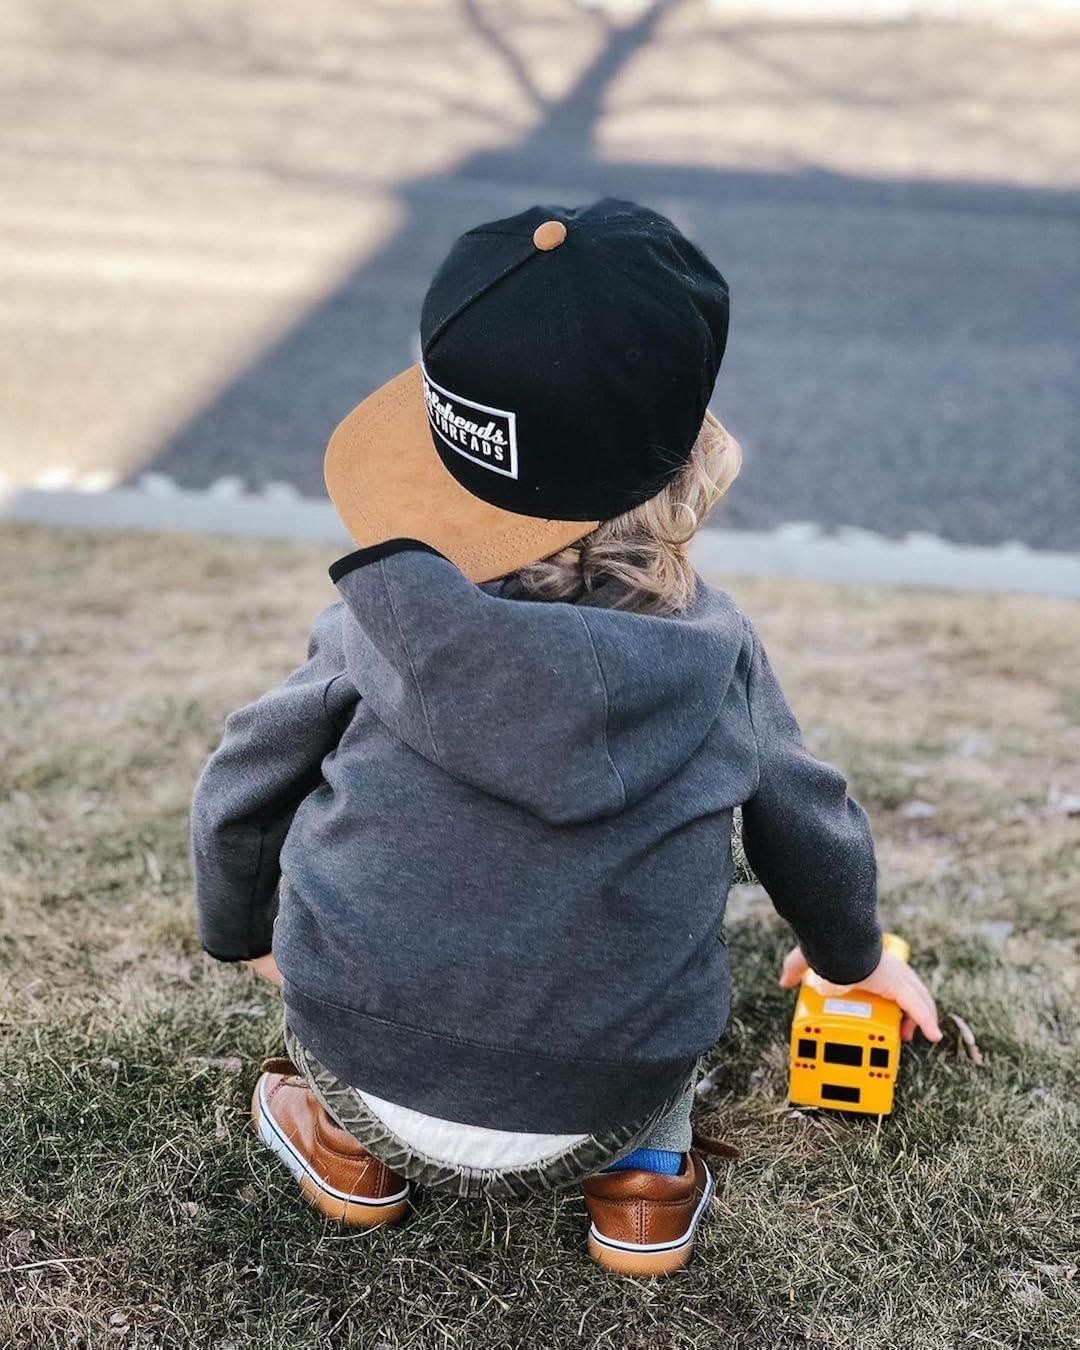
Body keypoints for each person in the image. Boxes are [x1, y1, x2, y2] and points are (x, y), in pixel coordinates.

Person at [190, 199, 942, 1278]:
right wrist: (854, 962)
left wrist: (243, 935)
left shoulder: (374, 625)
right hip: (610, 1094)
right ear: (682, 459)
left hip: (367, 1058)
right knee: (648, 1013)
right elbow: (808, 826)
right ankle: (642, 1192)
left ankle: (352, 1156)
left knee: (349, 1041)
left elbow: (241, 785)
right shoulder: (716, 655)